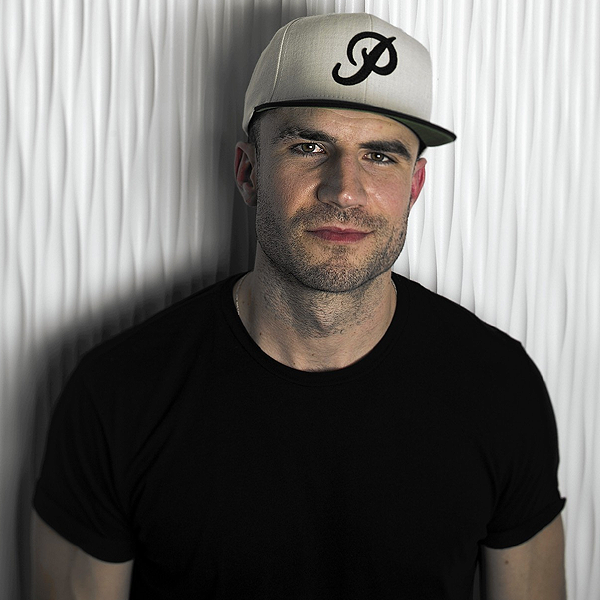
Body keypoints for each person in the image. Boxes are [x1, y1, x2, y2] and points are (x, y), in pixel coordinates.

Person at [31, 12, 566, 600]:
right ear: (248, 171)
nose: (344, 190)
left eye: (380, 156)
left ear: (414, 187)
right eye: (309, 147)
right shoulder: (117, 396)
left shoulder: (499, 386)